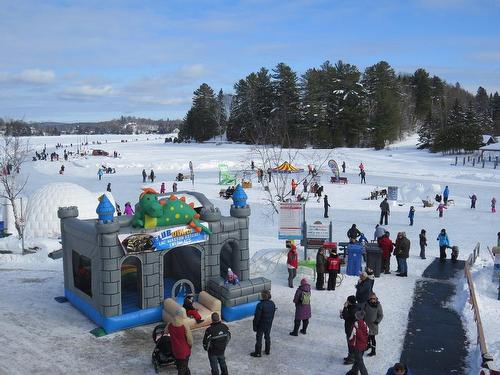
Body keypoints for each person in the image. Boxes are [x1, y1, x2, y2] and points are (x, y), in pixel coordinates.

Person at [250, 290, 276, 357]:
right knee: (267, 337)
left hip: (261, 325)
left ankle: (258, 353)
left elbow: (257, 317)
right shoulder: (272, 303)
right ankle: (267, 350)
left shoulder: (260, 305)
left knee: (259, 338)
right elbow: (273, 314)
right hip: (269, 324)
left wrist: (254, 326)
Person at [168, 308, 193, 375]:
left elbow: (165, 331)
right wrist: (190, 345)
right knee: (182, 368)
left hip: (175, 349)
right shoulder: (184, 325)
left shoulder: (170, 324)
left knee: (183, 365)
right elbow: (190, 339)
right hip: (184, 350)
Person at [347, 310, 369, 375]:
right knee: (358, 359)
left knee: (360, 362)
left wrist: (350, 343)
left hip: (357, 346)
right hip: (363, 346)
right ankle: (354, 371)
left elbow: (351, 337)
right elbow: (367, 333)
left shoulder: (355, 326)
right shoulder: (365, 324)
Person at [364, 293, 383, 357]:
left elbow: (381, 315)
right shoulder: (366, 304)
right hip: (366, 324)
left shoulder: (378, 305)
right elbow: (363, 311)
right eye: (371, 298)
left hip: (373, 325)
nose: (372, 299)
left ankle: (373, 351)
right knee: (367, 337)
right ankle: (368, 345)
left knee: (372, 338)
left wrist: (377, 321)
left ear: (376, 298)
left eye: (374, 298)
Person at [341, 295, 357, 365]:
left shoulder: (352, 310)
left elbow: (346, 317)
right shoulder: (354, 306)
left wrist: (344, 307)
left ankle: (352, 358)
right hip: (351, 328)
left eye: (348, 301)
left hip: (350, 329)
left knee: (351, 344)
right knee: (350, 344)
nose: (346, 302)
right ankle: (350, 356)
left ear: (350, 302)